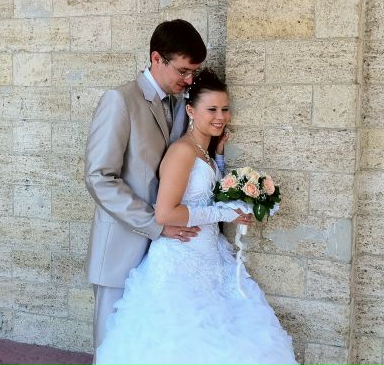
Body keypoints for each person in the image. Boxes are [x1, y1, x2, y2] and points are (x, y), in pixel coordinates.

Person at [95, 70, 298, 365]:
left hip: (210, 256)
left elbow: (203, 192)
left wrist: (219, 159)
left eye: (225, 109)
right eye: (212, 109)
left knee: (220, 335)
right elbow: (166, 212)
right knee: (184, 339)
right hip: (180, 259)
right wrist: (225, 212)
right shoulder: (181, 152)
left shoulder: (204, 152)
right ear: (191, 111)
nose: (221, 117)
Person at [84, 20, 213, 363]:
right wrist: (155, 224)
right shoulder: (120, 100)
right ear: (157, 58)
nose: (189, 80)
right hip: (121, 249)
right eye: (183, 71)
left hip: (163, 258)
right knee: (114, 348)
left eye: (194, 72)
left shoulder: (180, 103)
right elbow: (99, 177)